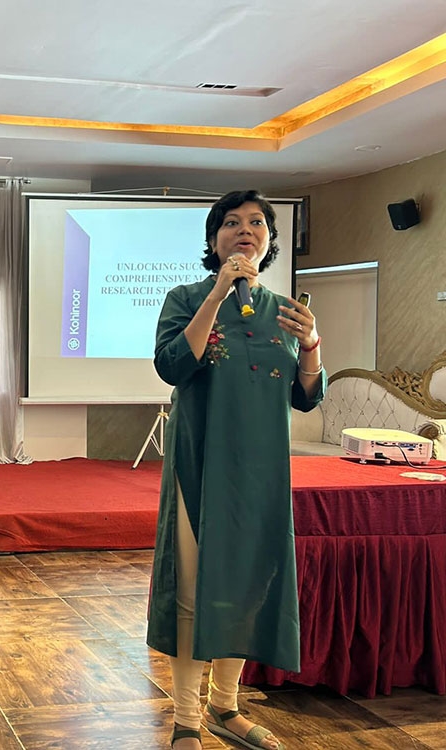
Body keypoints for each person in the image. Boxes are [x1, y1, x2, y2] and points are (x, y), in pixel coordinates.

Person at [146, 190, 325, 750]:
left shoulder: (285, 311)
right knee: (194, 591)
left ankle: (225, 707)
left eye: (256, 222)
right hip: (199, 466)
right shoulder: (186, 298)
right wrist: (219, 292)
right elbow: (172, 364)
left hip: (262, 472)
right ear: (213, 239)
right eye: (230, 222)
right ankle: (186, 719)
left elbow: (305, 397)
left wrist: (312, 345)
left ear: (269, 240)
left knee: (246, 589)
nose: (244, 230)